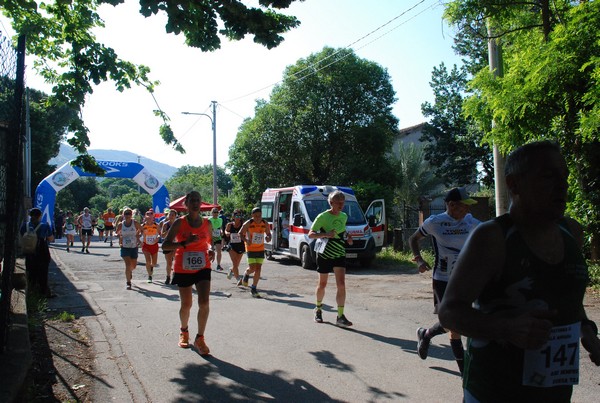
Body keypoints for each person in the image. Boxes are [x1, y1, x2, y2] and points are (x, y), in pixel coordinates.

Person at [438, 141, 600, 402]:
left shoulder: (572, 232)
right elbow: (449, 312)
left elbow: (565, 300)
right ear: (514, 185)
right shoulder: (492, 237)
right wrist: (507, 327)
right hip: (493, 391)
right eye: (549, 176)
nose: (563, 185)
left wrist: (587, 330)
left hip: (555, 391)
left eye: (565, 176)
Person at [409, 186, 480, 374]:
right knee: (450, 322)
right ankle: (428, 336)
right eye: (464, 206)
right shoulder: (435, 222)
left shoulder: (471, 222)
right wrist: (419, 260)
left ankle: (427, 334)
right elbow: (413, 239)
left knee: (455, 323)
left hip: (464, 279)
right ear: (451, 205)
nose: (468, 210)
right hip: (442, 278)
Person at [162, 191, 215, 355]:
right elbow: (165, 246)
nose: (195, 203)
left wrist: (212, 249)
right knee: (186, 304)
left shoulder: (207, 223)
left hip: (203, 265)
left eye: (198, 200)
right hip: (183, 266)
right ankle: (184, 331)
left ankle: (200, 338)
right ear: (186, 204)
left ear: (201, 204)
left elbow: (210, 242)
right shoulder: (179, 223)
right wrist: (184, 243)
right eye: (192, 200)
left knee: (204, 302)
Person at [309, 190, 354, 327]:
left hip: (339, 252)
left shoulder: (344, 216)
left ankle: (340, 316)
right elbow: (311, 234)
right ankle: (318, 309)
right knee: (322, 284)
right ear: (331, 203)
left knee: (341, 284)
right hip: (324, 253)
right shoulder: (322, 217)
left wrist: (348, 236)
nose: (341, 204)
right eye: (338, 202)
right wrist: (325, 234)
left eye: (342, 202)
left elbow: (341, 230)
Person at [237, 207, 272, 298]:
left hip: (260, 248)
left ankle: (254, 288)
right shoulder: (248, 223)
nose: (258, 218)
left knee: (258, 268)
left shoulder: (265, 223)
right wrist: (246, 240)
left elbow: (268, 234)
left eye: (259, 216)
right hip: (250, 248)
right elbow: (240, 233)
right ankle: (246, 273)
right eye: (256, 216)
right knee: (252, 268)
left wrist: (268, 238)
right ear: (252, 215)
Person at [20, 208, 55, 297]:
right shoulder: (44, 226)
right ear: (40, 216)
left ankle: (31, 291)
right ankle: (43, 291)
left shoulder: (25, 225)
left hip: (29, 251)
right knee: (43, 272)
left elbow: (21, 236)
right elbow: (51, 239)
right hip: (41, 251)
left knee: (31, 272)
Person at [116, 207, 142, 290]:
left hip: (134, 246)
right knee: (127, 264)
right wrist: (119, 239)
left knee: (133, 265)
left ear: (131, 215)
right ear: (123, 215)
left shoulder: (135, 223)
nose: (127, 215)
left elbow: (141, 230)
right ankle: (128, 283)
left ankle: (130, 271)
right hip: (124, 247)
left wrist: (138, 237)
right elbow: (117, 233)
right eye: (126, 213)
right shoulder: (121, 224)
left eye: (129, 214)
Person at [224, 209, 245, 282]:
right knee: (235, 263)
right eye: (237, 216)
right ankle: (238, 279)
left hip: (241, 245)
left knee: (237, 264)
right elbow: (226, 231)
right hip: (232, 245)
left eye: (240, 216)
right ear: (233, 217)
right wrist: (227, 233)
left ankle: (231, 270)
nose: (238, 217)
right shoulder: (229, 225)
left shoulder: (243, 224)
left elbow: (247, 232)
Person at [141, 209, 160, 283]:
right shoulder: (143, 226)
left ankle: (151, 267)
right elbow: (138, 234)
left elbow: (159, 234)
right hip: (146, 245)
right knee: (148, 261)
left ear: (153, 217)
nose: (149, 217)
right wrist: (140, 241)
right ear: (145, 217)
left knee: (154, 263)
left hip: (154, 245)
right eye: (147, 216)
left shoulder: (156, 225)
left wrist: (158, 238)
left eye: (150, 216)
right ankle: (149, 276)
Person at [160, 209, 178, 284]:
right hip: (168, 244)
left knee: (176, 261)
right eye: (170, 215)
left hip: (176, 244)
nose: (171, 216)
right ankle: (168, 277)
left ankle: (175, 275)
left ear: (175, 216)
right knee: (169, 262)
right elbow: (162, 235)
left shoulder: (178, 224)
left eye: (172, 215)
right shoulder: (165, 224)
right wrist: (169, 230)